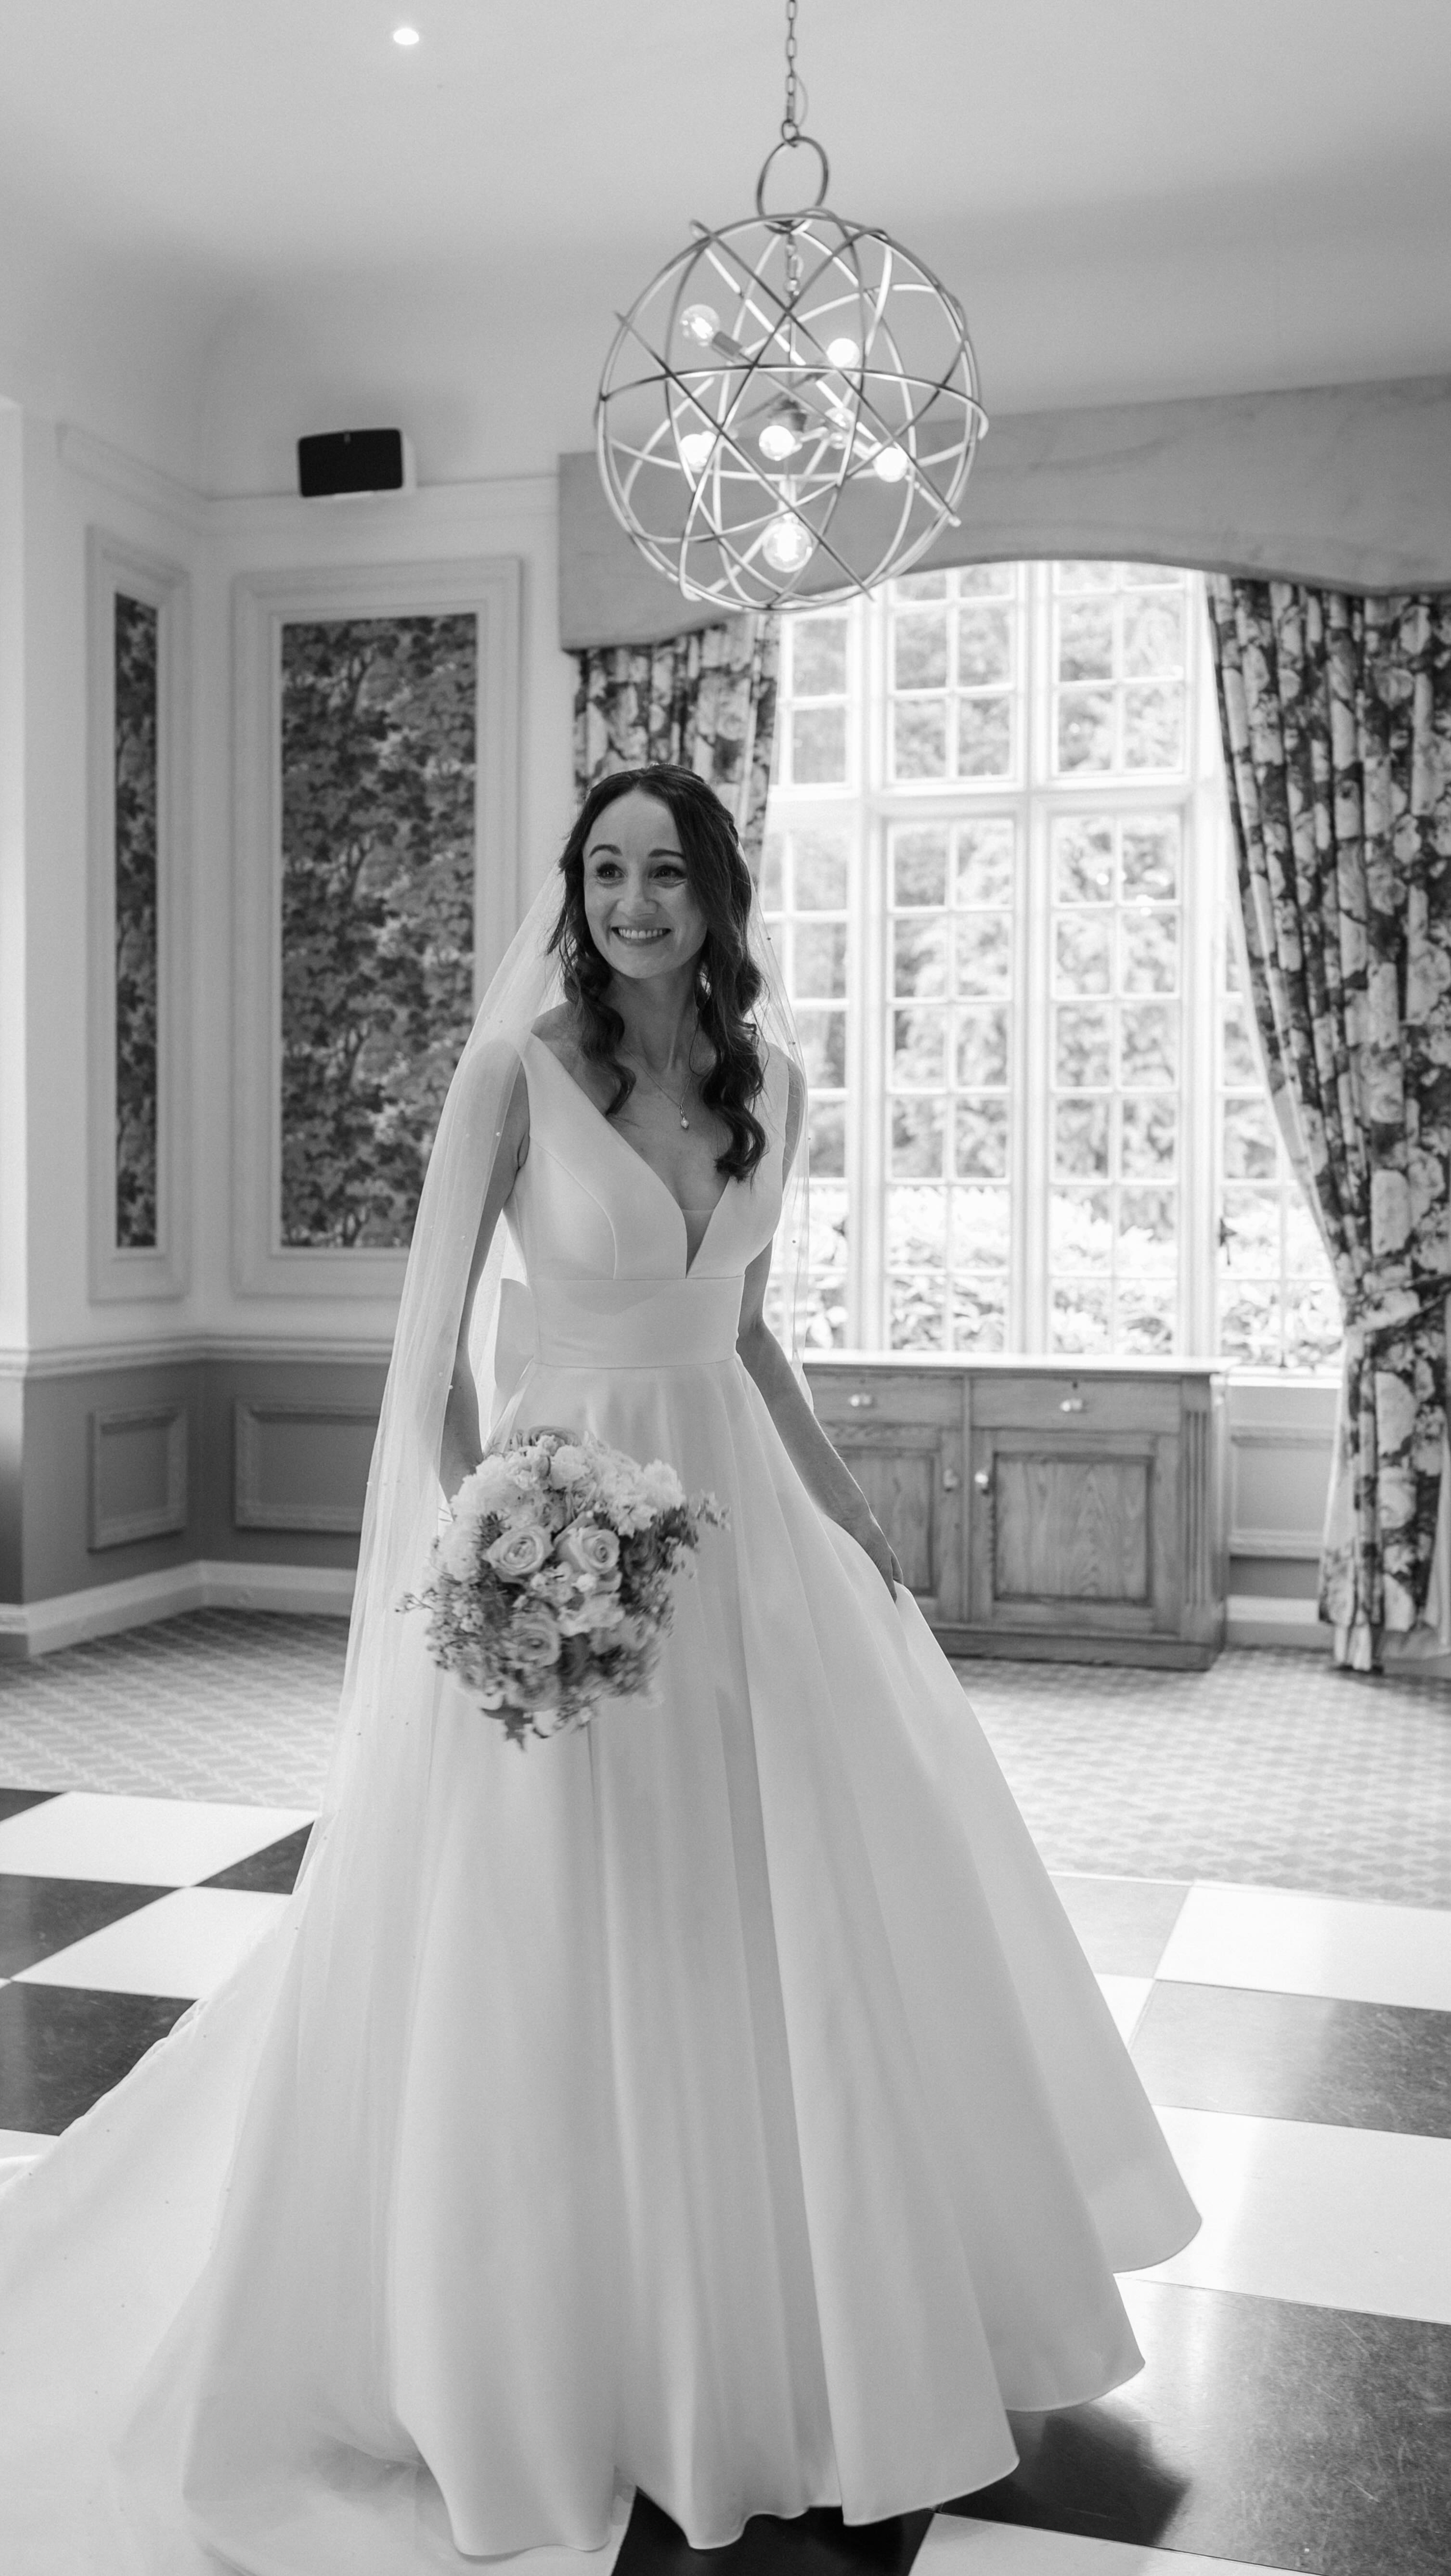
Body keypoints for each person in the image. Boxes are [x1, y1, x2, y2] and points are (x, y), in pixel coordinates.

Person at [0, 764, 1197, 2576]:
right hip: (561, 1522)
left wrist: (847, 1510)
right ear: (579, 892)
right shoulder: (521, 1073)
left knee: (787, 1906)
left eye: (666, 874)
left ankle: (802, 2318)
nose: (634, 902)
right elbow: (432, 1349)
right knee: (565, 1914)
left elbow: (751, 1334)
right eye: (606, 872)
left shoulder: (775, 1081)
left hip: (743, 1537)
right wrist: (487, 1533)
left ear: (716, 896)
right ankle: (567, 2339)